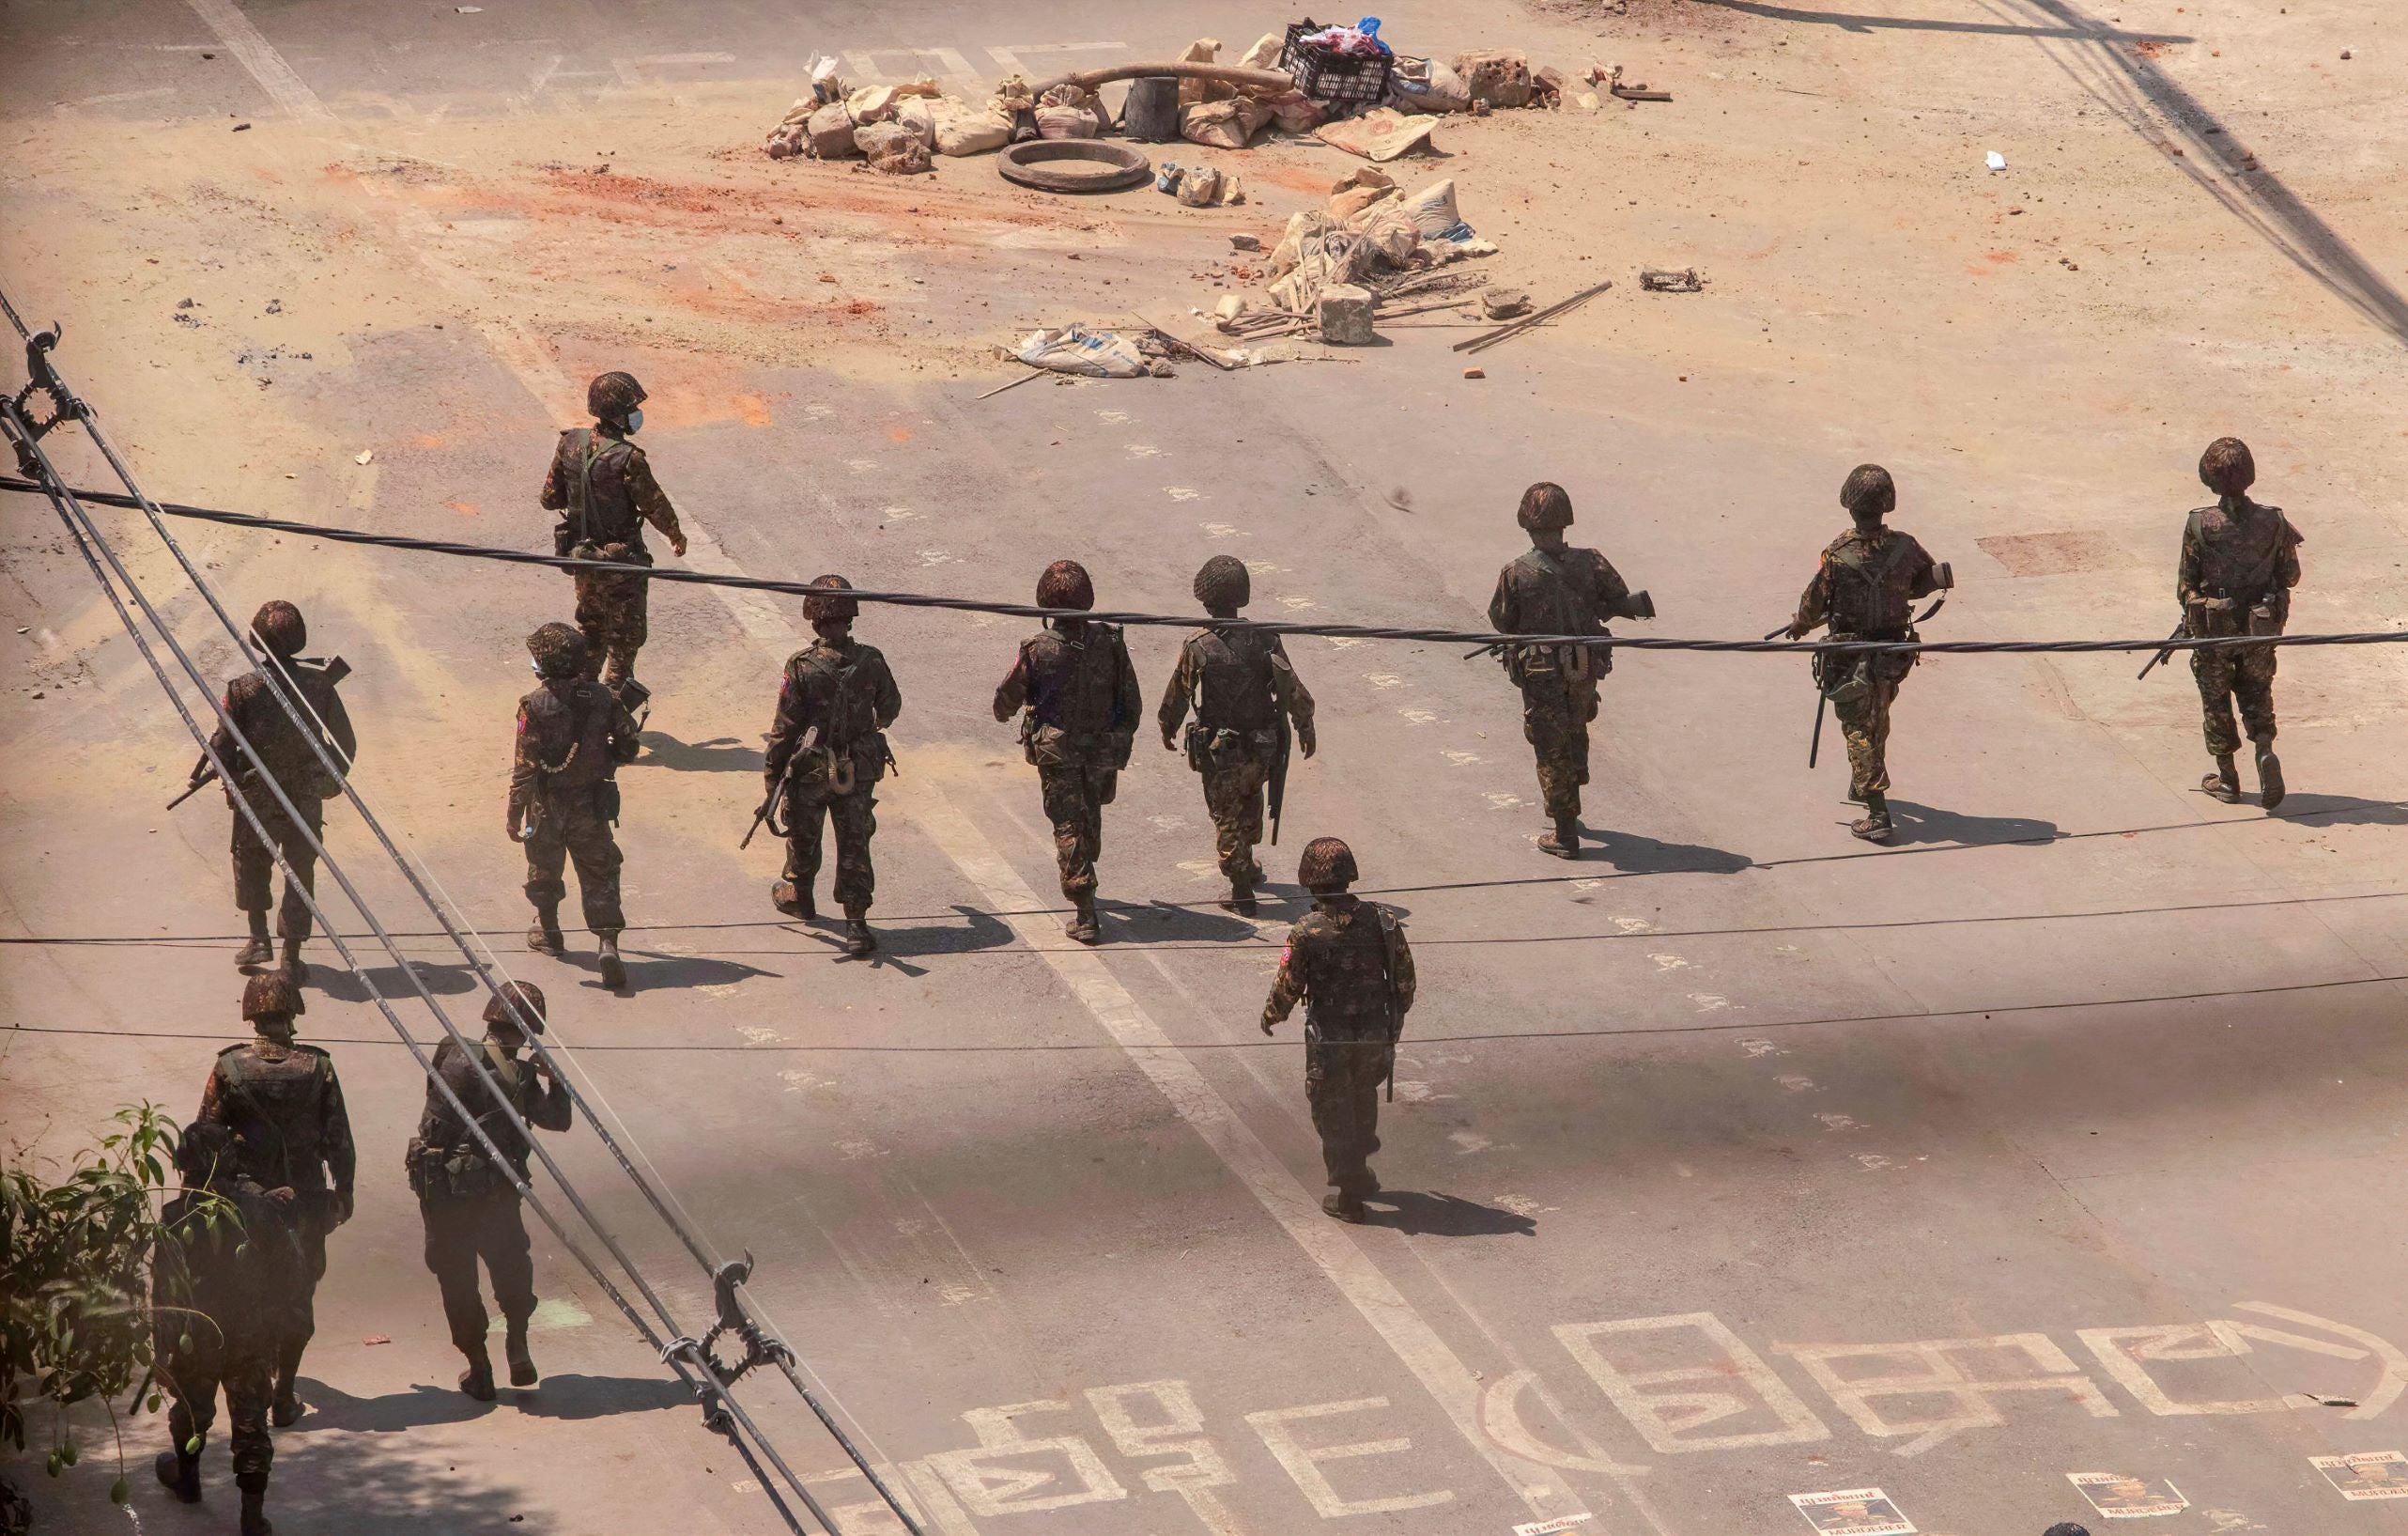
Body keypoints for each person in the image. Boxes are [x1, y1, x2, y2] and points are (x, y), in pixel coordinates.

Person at [195, 971, 354, 1430]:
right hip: (304, 1202)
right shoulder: (319, 1068)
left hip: (247, 1202)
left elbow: (207, 1136)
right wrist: (344, 1192)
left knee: (250, 1288)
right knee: (298, 1291)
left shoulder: (229, 1068)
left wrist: (203, 1195)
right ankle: (284, 1394)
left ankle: (258, 1385)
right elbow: (339, 1138)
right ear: (292, 1012)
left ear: (252, 1014)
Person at [407, 981, 574, 1401]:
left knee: (456, 1278)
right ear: (529, 1029)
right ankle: (517, 1342)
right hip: (496, 1191)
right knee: (510, 1265)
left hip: (446, 1192)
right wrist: (555, 1080)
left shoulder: (450, 1050)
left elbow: (432, 1122)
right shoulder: (518, 1075)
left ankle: (479, 1369)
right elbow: (557, 1120)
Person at [188, 600, 356, 981]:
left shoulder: (242, 689)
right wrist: (327, 781)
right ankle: (291, 955)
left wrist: (230, 785)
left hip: (257, 797)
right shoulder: (320, 685)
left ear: (259, 642)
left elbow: (221, 746)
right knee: (300, 871)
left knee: (251, 863)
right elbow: (345, 742)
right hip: (304, 797)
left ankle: (259, 938)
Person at [152, 1121, 303, 1536]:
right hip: (249, 1337)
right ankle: (252, 1519)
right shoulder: (260, 1212)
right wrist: (272, 1323)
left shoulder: (174, 1217)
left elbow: (164, 1294)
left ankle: (187, 1481)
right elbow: (291, 1276)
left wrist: (160, 1351)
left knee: (191, 1412)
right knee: (252, 1424)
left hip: (194, 1337)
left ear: (184, 1165)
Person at [1487, 483, 1654, 859]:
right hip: (1584, 668)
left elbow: (1501, 620)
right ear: (1565, 522)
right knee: (1576, 725)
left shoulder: (1515, 573)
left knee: (1550, 745)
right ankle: (1573, 791)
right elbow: (1616, 600)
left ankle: (1564, 832)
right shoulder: (1592, 562)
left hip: (1542, 674)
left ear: (1526, 523)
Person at [1786, 464, 1951, 843]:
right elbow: (1924, 581)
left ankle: (1877, 812)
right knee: (1878, 715)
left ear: (1849, 504)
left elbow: (1813, 604)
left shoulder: (1837, 554)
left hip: (1850, 656)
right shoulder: (1905, 547)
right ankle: (1862, 785)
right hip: (1892, 655)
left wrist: (1799, 625)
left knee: (1858, 727)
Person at [1260, 837, 1415, 1222]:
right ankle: (1360, 1162)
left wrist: (1271, 1015)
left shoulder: (1307, 930)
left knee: (1331, 1110)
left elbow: (1288, 985)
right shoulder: (1383, 921)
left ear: (1310, 880)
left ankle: (1350, 1195)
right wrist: (1393, 1024)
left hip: (1330, 1037)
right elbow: (1405, 981)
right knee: (1362, 1096)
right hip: (1374, 1032)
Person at [1157, 556, 1318, 914]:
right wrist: (1305, 727)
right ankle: (1246, 861)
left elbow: (1178, 693)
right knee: (1250, 798)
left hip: (1221, 749)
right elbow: (1292, 689)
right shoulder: (1265, 639)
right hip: (1261, 746)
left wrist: (1167, 727)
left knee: (1226, 813)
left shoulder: (1199, 645)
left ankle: (1240, 887)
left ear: (1205, 598)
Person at [993, 560, 1141, 944]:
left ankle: (1085, 911)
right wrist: (1117, 738)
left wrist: (1007, 709)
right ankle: (1086, 874)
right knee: (1088, 813)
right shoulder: (1110, 643)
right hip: (1102, 750)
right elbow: (1132, 703)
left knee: (1067, 824)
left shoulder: (1038, 650)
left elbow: (1006, 700)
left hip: (1059, 753)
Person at [762, 576, 902, 957]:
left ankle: (799, 895)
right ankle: (856, 925)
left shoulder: (801, 666)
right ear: (850, 616)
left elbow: (784, 730)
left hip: (809, 770)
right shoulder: (871, 661)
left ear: (813, 618)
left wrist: (772, 780)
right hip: (857, 768)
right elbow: (890, 708)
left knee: (803, 833)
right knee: (855, 840)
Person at [539, 370, 688, 710]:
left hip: (584, 561)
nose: (637, 411)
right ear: (619, 412)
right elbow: (655, 505)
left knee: (592, 635)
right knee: (623, 645)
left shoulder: (569, 444)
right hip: (623, 566)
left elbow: (549, 498)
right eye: (632, 406)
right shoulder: (628, 458)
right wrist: (676, 536)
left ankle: (580, 706)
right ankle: (611, 719)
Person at [509, 623, 642, 988]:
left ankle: (550, 933)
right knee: (600, 872)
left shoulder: (532, 705)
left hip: (546, 806)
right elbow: (630, 746)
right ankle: (607, 943)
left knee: (544, 868)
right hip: (592, 804)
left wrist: (513, 814)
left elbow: (524, 767)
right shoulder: (603, 697)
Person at [2178, 436, 2302, 810]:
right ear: (2249, 475)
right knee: (2257, 691)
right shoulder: (2274, 521)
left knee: (2216, 701)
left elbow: (2185, 583)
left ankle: (2229, 779)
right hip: (2259, 630)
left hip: (2213, 634)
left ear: (2209, 479)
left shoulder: (2200, 524)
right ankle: (2263, 748)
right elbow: (2291, 575)